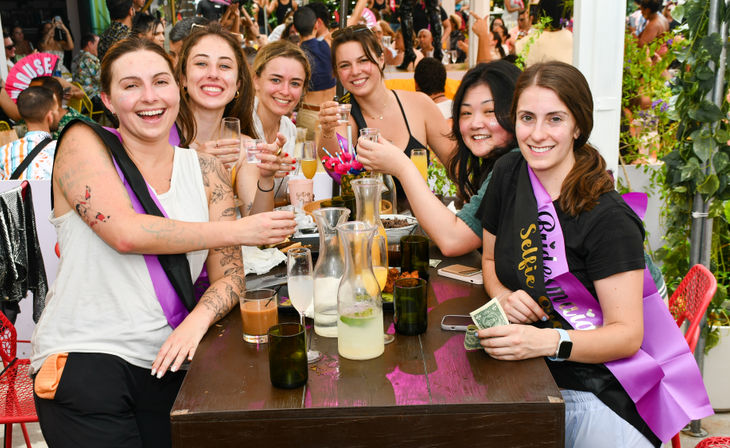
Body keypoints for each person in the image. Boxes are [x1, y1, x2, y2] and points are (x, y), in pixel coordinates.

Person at [30, 37, 296, 447]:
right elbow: (125, 232)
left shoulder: (206, 169)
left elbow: (230, 277)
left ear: (177, 89)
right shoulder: (83, 143)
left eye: (160, 82)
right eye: (131, 85)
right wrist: (238, 231)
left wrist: (196, 322)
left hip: (169, 359)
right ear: (108, 98)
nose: (149, 97)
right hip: (86, 357)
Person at [477, 61, 706, 448]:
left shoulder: (607, 218)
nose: (537, 134)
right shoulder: (508, 171)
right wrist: (501, 294)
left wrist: (546, 342)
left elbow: (627, 336)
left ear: (578, 125)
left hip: (602, 395)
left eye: (554, 119)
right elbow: (487, 261)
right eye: (526, 118)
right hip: (534, 379)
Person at [358, 61, 519, 256]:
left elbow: (453, 240)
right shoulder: (501, 163)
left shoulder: (513, 165)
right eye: (466, 113)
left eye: (490, 111)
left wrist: (402, 167)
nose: (475, 123)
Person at [319, 25, 454, 211]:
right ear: (337, 72)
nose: (355, 71)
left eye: (363, 60)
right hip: (369, 229)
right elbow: (335, 168)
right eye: (344, 65)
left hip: (422, 227)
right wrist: (327, 131)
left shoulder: (419, 104)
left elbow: (457, 165)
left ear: (381, 59)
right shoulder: (344, 116)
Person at [175, 24, 294, 215]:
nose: (213, 74)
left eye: (224, 66)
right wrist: (193, 163)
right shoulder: (159, 135)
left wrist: (266, 178)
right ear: (182, 79)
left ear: (238, 83)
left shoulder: (244, 146)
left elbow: (257, 221)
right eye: (201, 64)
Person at [250, 40, 311, 205]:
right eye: (276, 80)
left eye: (295, 84)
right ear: (256, 80)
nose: (285, 91)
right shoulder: (239, 124)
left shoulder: (289, 128)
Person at [293, 6, 335, 140]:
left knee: (307, 158)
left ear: (295, 28)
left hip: (307, 113)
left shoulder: (296, 54)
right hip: (330, 113)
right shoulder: (329, 43)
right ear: (316, 24)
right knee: (332, 160)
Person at [0, 86, 60, 180]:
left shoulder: (4, 151)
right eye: (57, 110)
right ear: (50, 117)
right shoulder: (60, 151)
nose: (58, 114)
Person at [72, 33, 102, 108]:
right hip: (91, 99)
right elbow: (102, 78)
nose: (100, 47)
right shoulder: (89, 59)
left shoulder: (76, 57)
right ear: (89, 44)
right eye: (98, 44)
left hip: (80, 100)